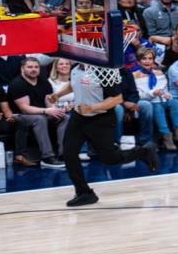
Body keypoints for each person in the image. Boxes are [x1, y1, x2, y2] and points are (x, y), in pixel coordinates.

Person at [49, 64, 159, 207]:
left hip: (101, 119)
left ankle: (143, 151)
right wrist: (58, 95)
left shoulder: (104, 72)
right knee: (69, 153)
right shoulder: (75, 67)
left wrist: (91, 108)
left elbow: (117, 98)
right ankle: (84, 193)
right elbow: (73, 83)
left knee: (109, 159)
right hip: (78, 117)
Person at [8, 57, 68, 168]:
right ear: (22, 68)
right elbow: (24, 108)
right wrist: (46, 110)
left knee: (64, 117)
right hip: (20, 116)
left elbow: (49, 102)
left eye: (36, 67)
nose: (33, 69)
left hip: (41, 113)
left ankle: (63, 154)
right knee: (40, 119)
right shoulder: (17, 84)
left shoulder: (44, 82)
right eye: (30, 67)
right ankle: (47, 157)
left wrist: (55, 110)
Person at [133, 47, 178, 150]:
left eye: (150, 58)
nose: (147, 61)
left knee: (175, 102)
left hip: (161, 99)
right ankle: (167, 138)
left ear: (153, 60)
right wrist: (152, 93)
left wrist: (167, 94)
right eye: (144, 59)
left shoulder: (159, 73)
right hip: (149, 101)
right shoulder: (135, 76)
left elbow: (165, 90)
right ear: (138, 61)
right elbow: (138, 96)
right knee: (157, 107)